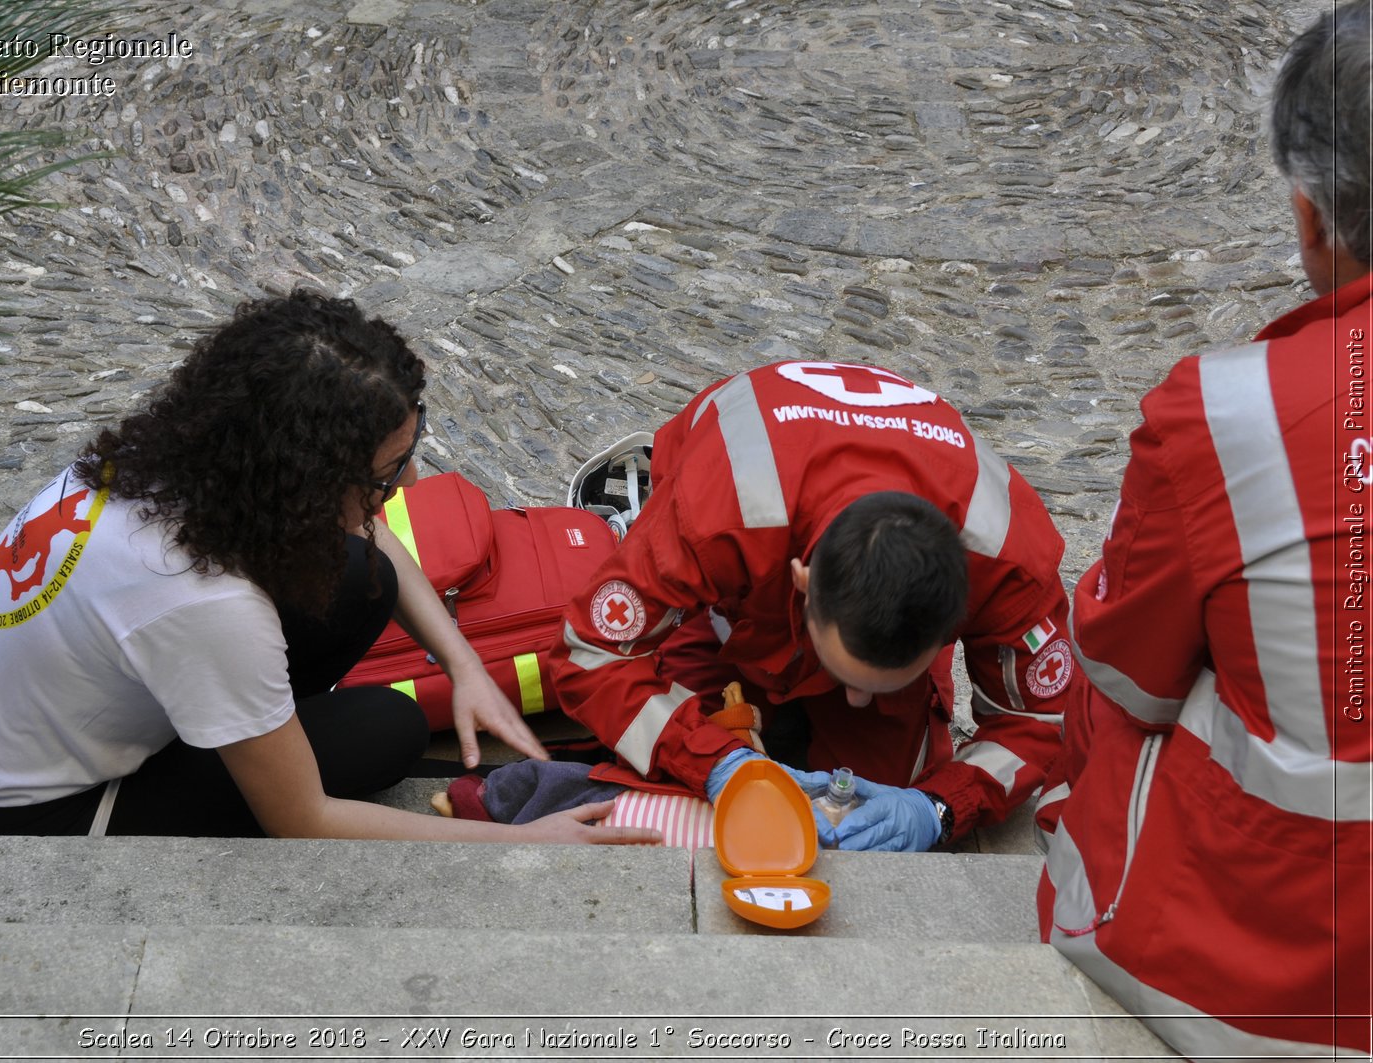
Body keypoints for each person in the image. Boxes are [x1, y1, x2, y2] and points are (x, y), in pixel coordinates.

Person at [0, 289, 659, 846]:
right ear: (302, 478)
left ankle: (236, 716)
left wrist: (463, 664)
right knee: (388, 730)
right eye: (387, 473)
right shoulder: (201, 601)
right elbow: (303, 820)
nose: (402, 488)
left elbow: (368, 534)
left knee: (364, 573)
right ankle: (233, 730)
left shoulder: (168, 460)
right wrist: (529, 841)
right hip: (23, 816)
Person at [1035, 5, 1373, 1056]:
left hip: (1277, 965)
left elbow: (1124, 675)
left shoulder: (1228, 417)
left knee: (1130, 639)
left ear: (1309, 215)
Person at [550, 358, 1075, 851]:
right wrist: (716, 765)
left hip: (789, 549)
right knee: (683, 790)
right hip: (737, 586)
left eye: (875, 684)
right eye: (843, 673)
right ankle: (636, 532)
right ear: (800, 582)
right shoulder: (718, 513)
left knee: (874, 814)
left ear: (957, 621)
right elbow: (590, 656)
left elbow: (1045, 722)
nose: (855, 703)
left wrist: (936, 807)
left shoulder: (1009, 562)